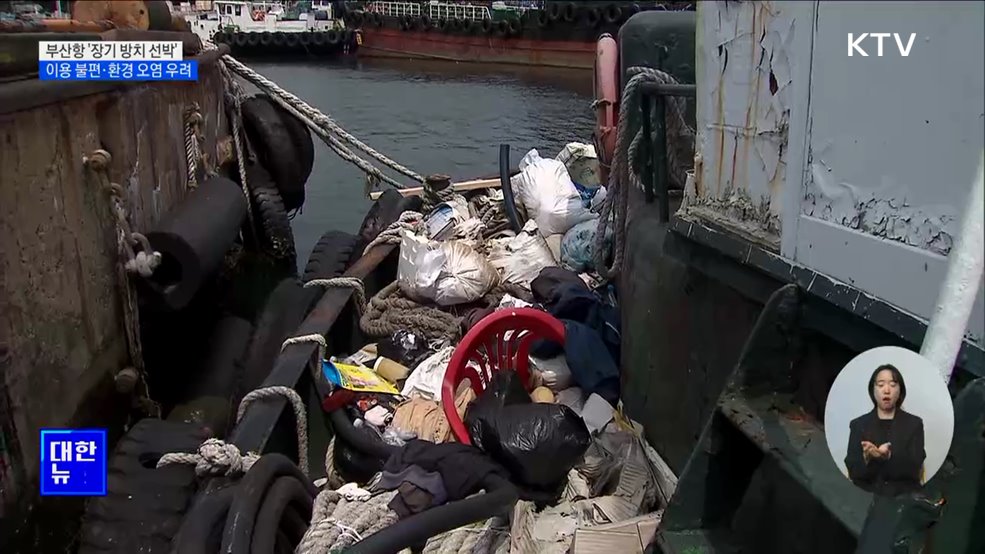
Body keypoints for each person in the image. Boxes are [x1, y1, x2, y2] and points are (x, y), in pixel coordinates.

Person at [845, 364, 926, 496]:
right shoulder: (858, 424)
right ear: (873, 390)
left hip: (902, 498)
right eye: (881, 385)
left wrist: (888, 457)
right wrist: (866, 458)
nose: (886, 390)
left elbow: (915, 467)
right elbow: (853, 471)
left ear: (900, 391)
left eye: (893, 385)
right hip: (864, 496)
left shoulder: (915, 424)